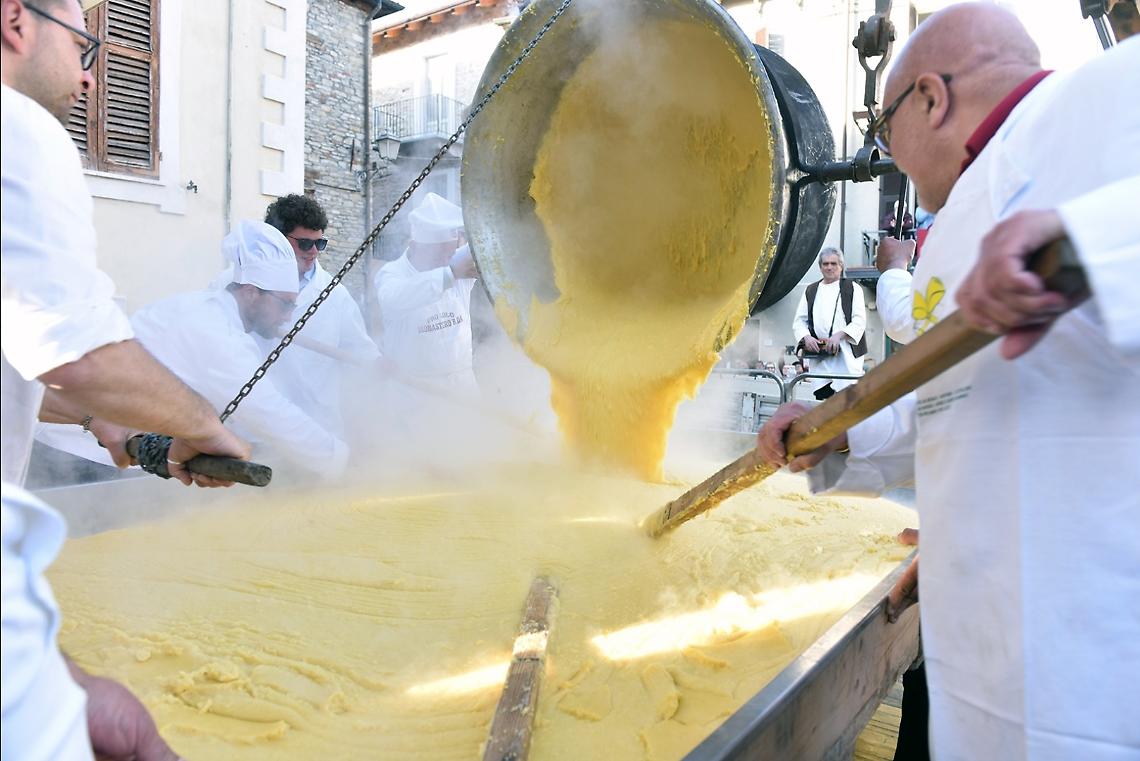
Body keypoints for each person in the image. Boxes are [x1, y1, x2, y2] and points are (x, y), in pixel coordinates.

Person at [757, 6, 1139, 758]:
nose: (888, 155)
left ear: (929, 97)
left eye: (884, 128)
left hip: (1103, 643)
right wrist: (830, 432)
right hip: (988, 659)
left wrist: (1090, 244)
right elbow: (952, 404)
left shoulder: (1111, 93)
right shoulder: (946, 233)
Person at [2, 1, 249, 758]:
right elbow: (79, 350)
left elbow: (32, 365)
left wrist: (97, 420)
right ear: (16, 20)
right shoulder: (17, 127)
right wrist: (203, 427)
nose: (87, 76)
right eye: (84, 44)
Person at [133, 221, 350, 478]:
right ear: (250, 293)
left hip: (139, 442)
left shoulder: (214, 315)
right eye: (285, 305)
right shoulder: (215, 331)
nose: (288, 317)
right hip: (106, 447)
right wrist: (342, 461)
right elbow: (265, 409)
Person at [218, 194, 380, 438]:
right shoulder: (232, 285)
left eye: (320, 243)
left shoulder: (335, 295)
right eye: (305, 243)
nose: (314, 251)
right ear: (278, 239)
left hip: (315, 428)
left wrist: (379, 365)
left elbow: (358, 350)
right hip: (252, 432)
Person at [374, 192, 479, 418]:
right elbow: (394, 298)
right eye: (439, 253)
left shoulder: (452, 260)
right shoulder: (392, 275)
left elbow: (485, 241)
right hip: (415, 396)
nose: (445, 259)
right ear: (416, 246)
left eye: (450, 252)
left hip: (462, 386)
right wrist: (449, 274)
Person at [791, 247, 867, 399]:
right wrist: (807, 338)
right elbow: (799, 321)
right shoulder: (811, 290)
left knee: (847, 404)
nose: (829, 267)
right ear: (820, 267)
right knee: (824, 404)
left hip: (846, 358)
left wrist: (839, 336)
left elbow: (859, 320)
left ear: (841, 266)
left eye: (833, 263)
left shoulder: (852, 288)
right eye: (825, 264)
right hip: (820, 359)